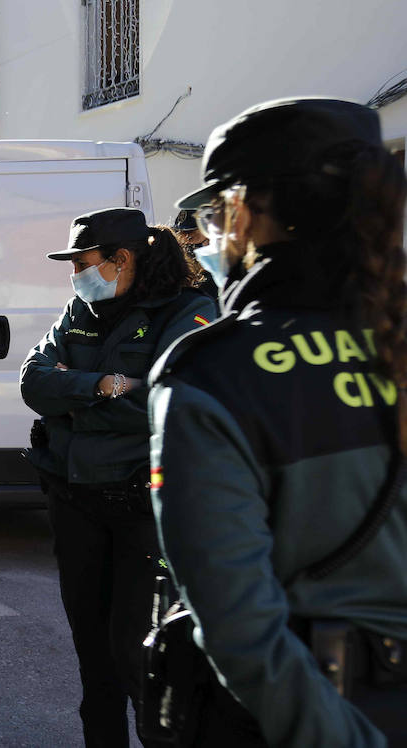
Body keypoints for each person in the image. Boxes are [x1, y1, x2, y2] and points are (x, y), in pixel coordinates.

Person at [150, 97, 407, 746]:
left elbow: (240, 626)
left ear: (247, 210)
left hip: (301, 719)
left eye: (213, 213)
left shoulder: (215, 373)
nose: (210, 234)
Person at [20, 207, 216, 746]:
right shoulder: (80, 307)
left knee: (138, 652)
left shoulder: (189, 311)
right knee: (92, 652)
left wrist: (76, 393)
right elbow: (34, 382)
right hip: (74, 496)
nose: (74, 275)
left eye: (81, 262)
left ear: (121, 259)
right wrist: (107, 385)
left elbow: (169, 400)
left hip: (142, 505)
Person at [172, 209, 219, 298]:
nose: (186, 243)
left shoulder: (219, 276)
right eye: (181, 238)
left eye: (191, 237)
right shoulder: (180, 276)